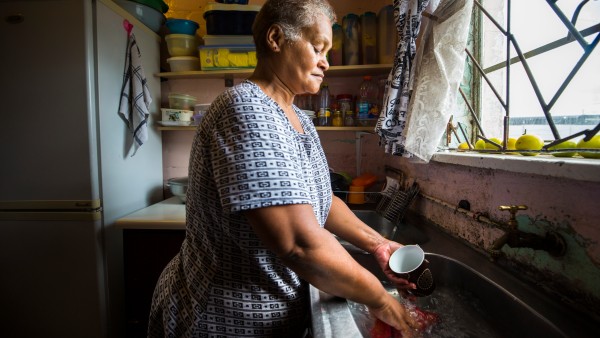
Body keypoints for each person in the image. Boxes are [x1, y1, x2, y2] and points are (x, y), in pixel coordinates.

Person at [148, 0, 421, 336]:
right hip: (222, 320)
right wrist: (381, 299)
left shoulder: (300, 120)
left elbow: (321, 201)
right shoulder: (246, 109)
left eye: (328, 52)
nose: (326, 63)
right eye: (318, 47)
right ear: (275, 38)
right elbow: (299, 242)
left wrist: (378, 244)